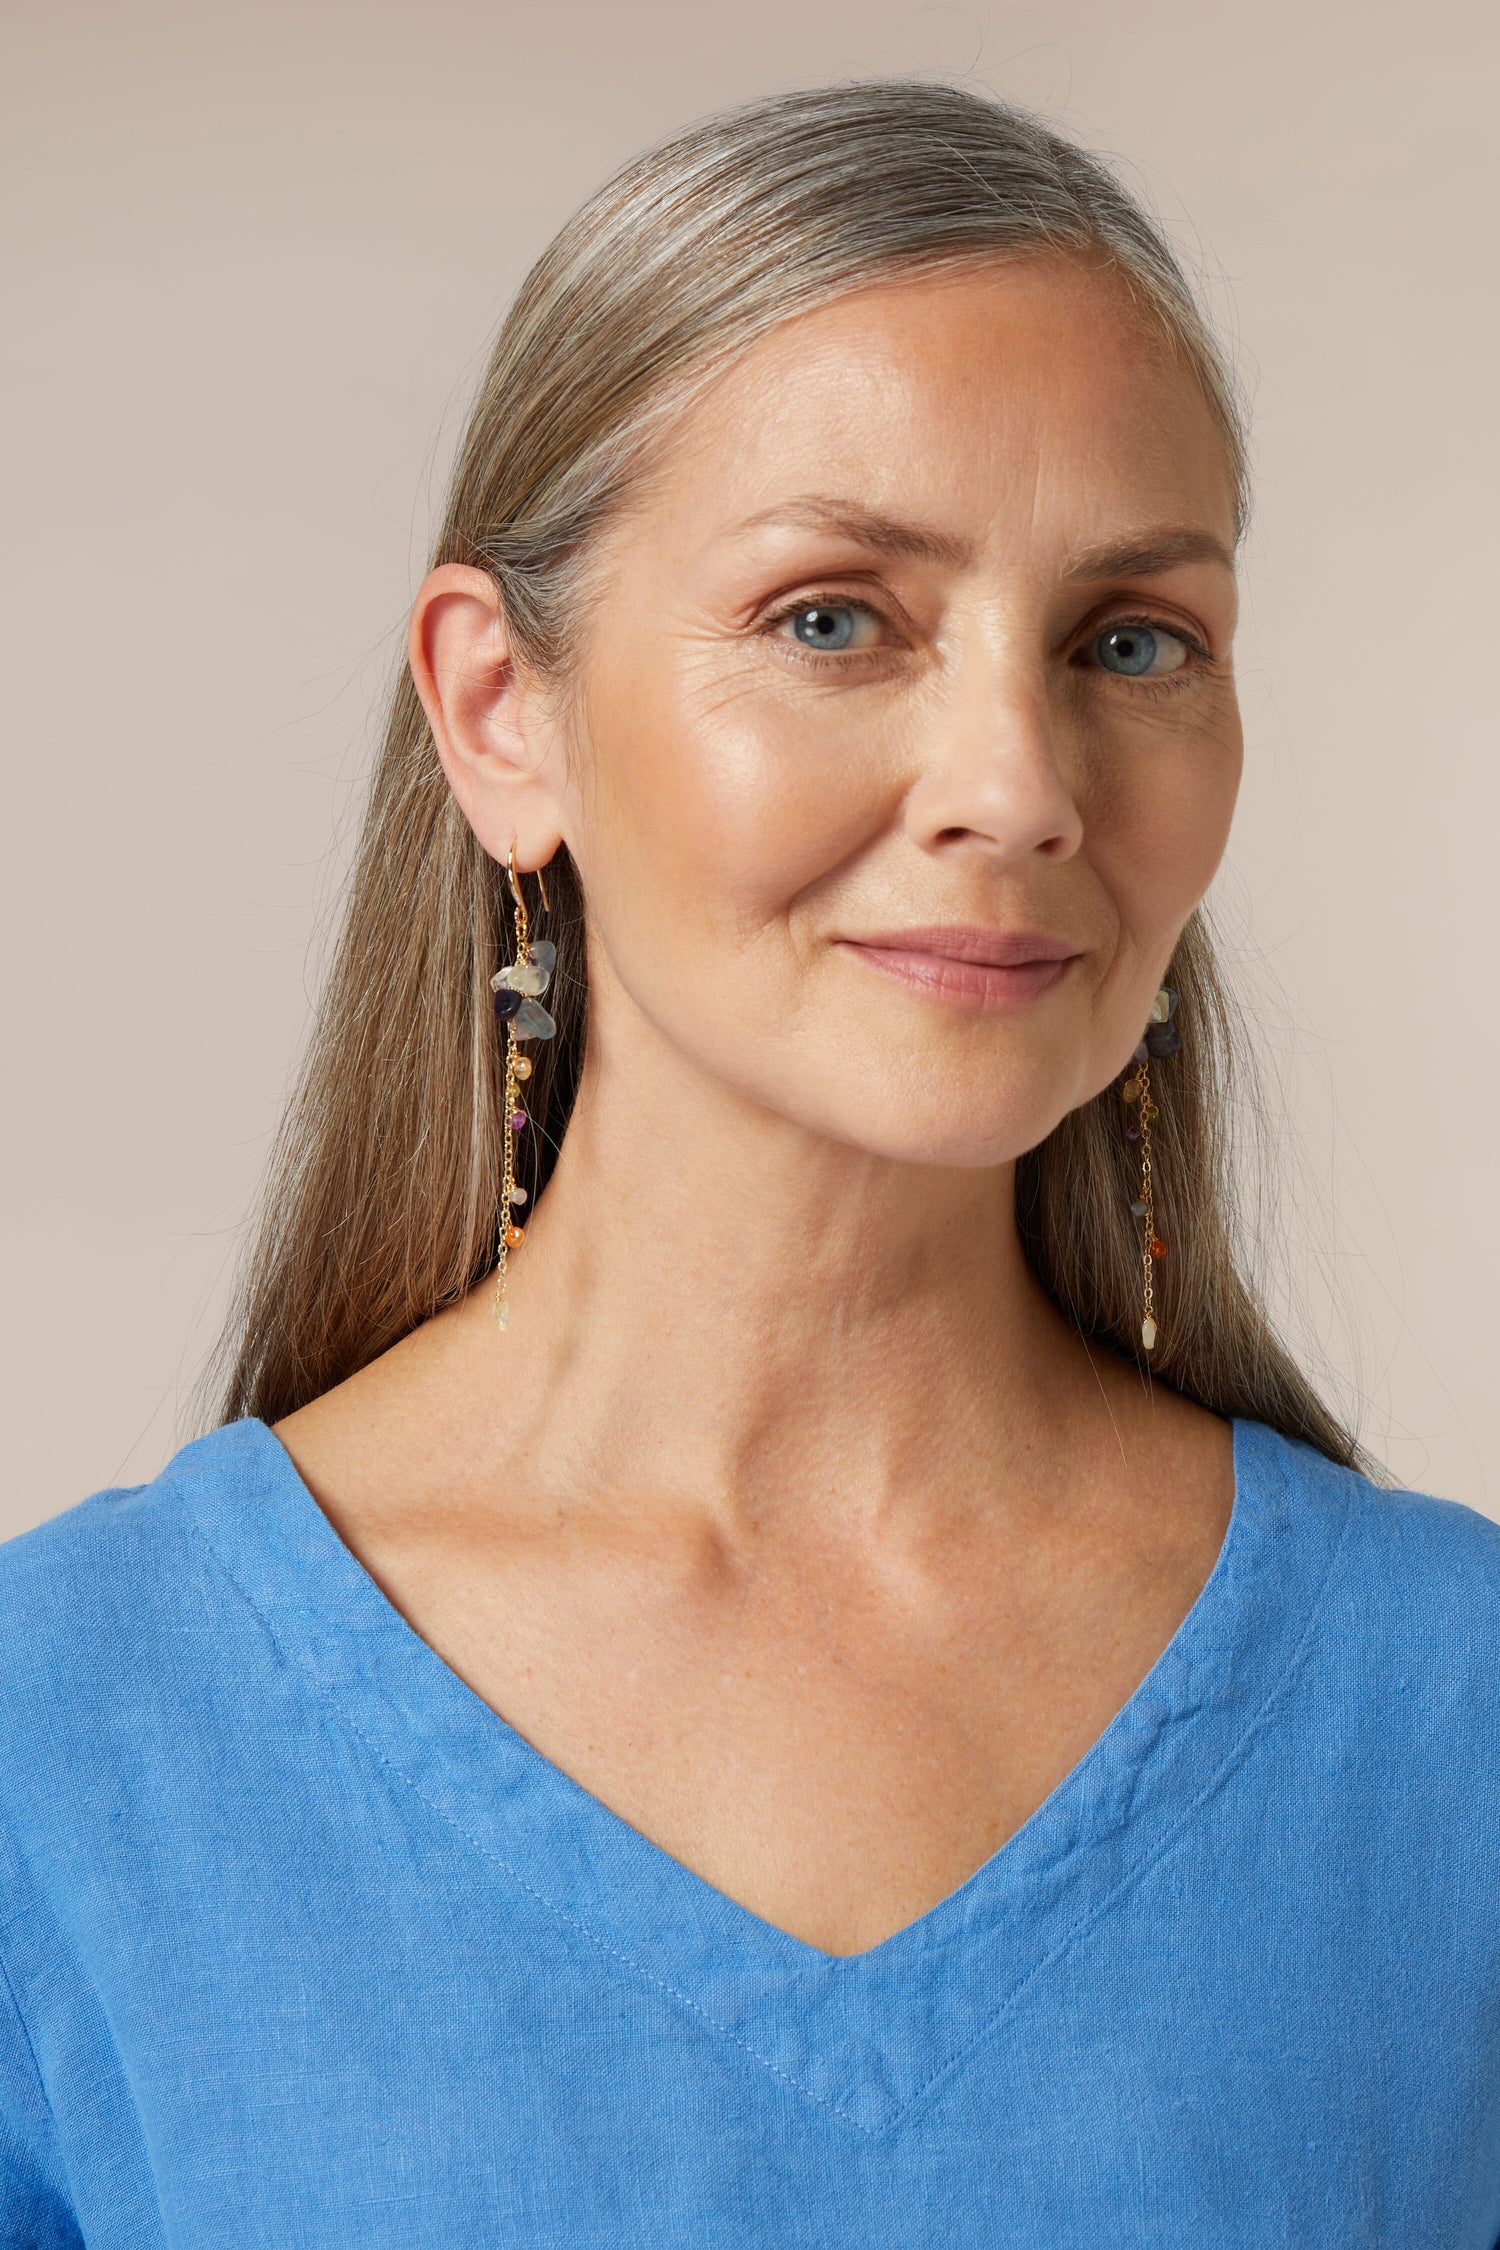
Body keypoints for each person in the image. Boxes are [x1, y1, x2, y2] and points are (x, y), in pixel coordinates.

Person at [2, 78, 1497, 2248]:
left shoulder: (1453, 1724)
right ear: (502, 709)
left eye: (1131, 641)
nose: (1017, 783)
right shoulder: (64, 1745)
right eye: (833, 618)